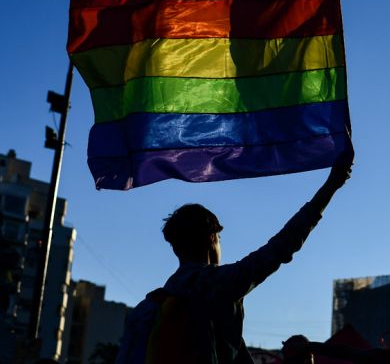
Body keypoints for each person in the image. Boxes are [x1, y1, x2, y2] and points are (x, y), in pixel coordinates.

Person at [117, 149, 354, 364]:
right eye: (219, 238)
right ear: (212, 238)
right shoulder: (219, 285)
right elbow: (283, 246)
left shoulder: (157, 303)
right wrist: (331, 186)